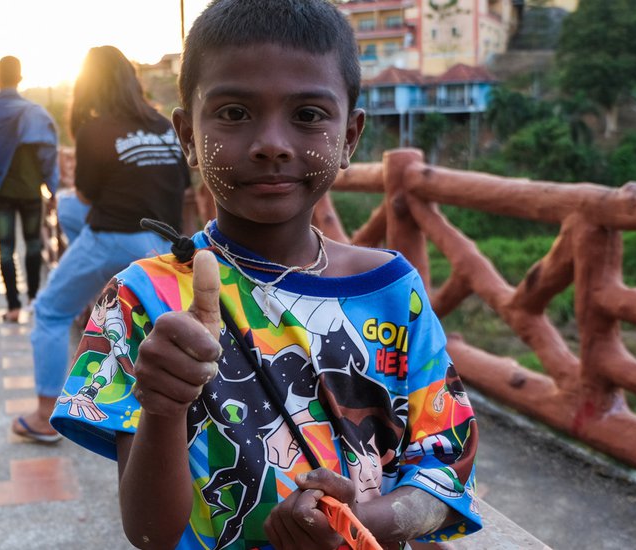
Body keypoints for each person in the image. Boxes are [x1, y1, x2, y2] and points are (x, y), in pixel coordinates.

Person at [49, 1, 482, 549]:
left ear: (350, 136)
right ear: (187, 135)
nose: (272, 143)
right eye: (233, 113)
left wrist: (358, 525)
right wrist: (162, 406)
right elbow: (151, 532)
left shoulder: (395, 293)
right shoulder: (143, 299)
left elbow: (449, 468)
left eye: (307, 115)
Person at [13, 46, 191, 443]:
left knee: (49, 313)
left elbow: (92, 197)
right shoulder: (165, 125)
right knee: (68, 208)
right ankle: (100, 289)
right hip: (164, 246)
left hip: (115, 237)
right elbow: (181, 187)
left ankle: (45, 417)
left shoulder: (96, 130)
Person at [0, 55, 60, 324]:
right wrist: (51, 188)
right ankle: (34, 301)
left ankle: (13, 306)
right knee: (33, 245)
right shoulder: (36, 113)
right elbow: (48, 154)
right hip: (31, 192)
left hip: (1, 192)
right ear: (20, 78)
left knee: (5, 248)